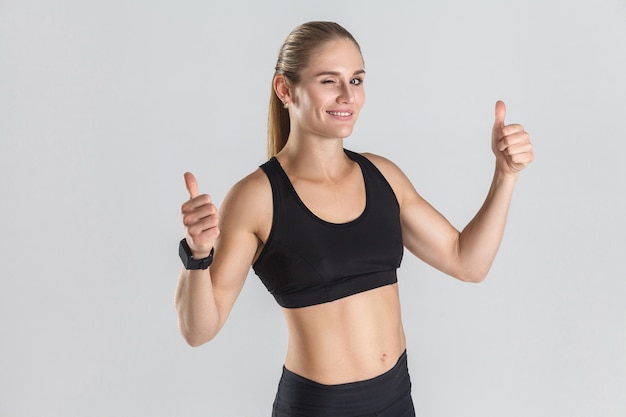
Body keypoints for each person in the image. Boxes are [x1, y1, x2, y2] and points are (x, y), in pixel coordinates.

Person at [175, 21, 533, 417]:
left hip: (398, 399)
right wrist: (198, 254)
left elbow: (468, 261)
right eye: (329, 80)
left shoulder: (383, 177)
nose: (348, 95)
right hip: (318, 408)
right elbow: (198, 331)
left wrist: (505, 175)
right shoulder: (257, 197)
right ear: (285, 89)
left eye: (357, 80)